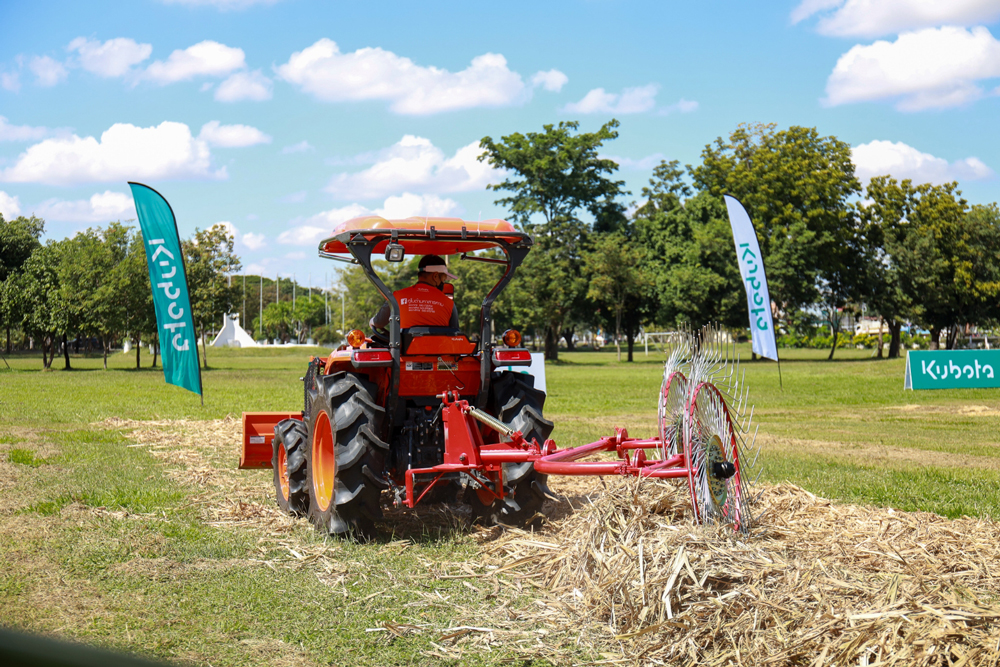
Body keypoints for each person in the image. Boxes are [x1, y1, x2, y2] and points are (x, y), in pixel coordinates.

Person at [370, 254, 460, 331]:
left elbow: (378, 322)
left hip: (404, 351)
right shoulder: (449, 304)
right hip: (439, 351)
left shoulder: (397, 297)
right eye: (443, 279)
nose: (443, 283)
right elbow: (455, 334)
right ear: (435, 276)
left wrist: (372, 322)